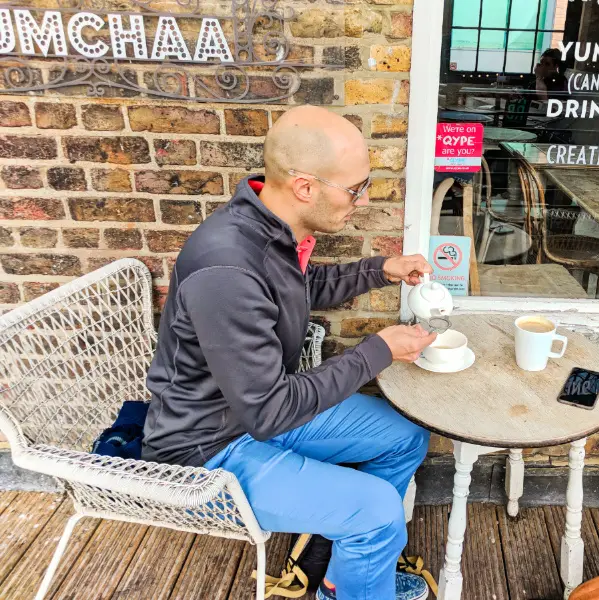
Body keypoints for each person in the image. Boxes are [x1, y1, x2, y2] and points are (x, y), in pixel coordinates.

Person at [142, 105, 438, 600]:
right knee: (379, 511)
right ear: (305, 187)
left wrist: (381, 268)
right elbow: (271, 409)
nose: (362, 201)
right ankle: (362, 557)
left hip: (251, 414)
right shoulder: (227, 269)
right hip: (207, 450)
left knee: (405, 436)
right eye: (356, 188)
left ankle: (346, 575)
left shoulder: (268, 227)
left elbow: (299, 287)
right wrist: (379, 350)